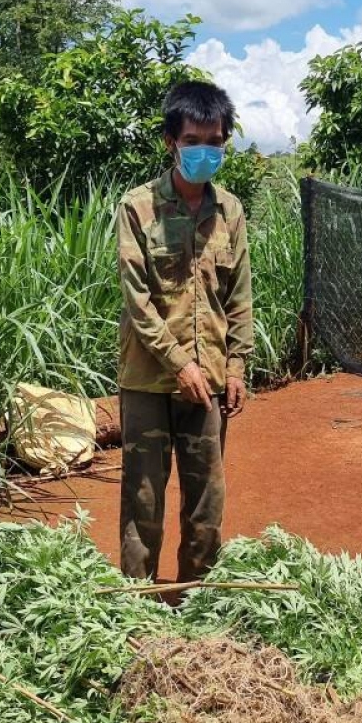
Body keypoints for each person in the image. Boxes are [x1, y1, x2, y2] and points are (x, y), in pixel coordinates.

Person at [116, 80, 253, 582]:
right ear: (170, 141)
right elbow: (138, 301)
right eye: (193, 140)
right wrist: (180, 363)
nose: (204, 151)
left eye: (214, 141)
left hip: (211, 381)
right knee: (143, 499)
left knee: (207, 498)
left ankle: (197, 596)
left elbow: (239, 297)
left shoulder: (230, 211)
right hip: (149, 379)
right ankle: (136, 602)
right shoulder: (138, 208)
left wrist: (236, 365)